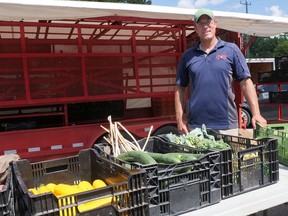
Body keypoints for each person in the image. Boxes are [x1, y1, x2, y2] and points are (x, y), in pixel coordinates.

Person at [175, 8, 267, 135]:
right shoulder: (188, 56)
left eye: (208, 21)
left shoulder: (231, 50)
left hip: (227, 125)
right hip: (196, 126)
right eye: (200, 23)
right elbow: (180, 88)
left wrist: (256, 113)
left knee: (229, 155)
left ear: (215, 24)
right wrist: (180, 118)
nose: (205, 26)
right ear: (195, 28)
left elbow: (246, 82)